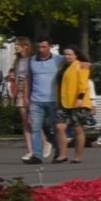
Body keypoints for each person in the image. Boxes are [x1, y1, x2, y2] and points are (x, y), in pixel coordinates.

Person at [22, 32, 65, 164]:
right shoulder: (32, 60)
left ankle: (59, 153)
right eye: (39, 47)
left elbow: (74, 61)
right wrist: (26, 97)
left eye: (44, 47)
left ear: (50, 46)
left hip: (53, 99)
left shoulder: (58, 59)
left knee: (54, 127)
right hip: (36, 99)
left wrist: (85, 64)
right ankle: (37, 155)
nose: (41, 50)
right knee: (35, 127)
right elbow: (28, 79)